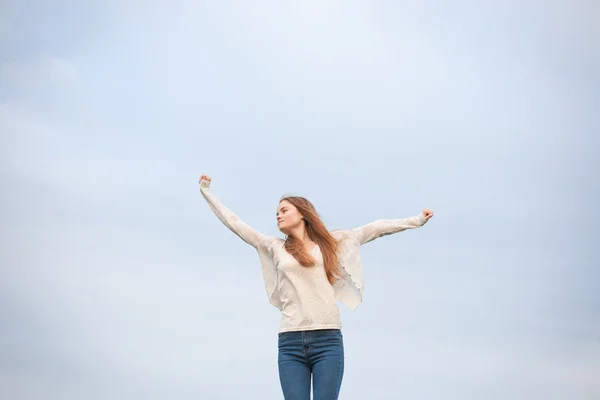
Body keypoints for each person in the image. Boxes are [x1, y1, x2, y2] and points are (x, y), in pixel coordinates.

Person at [198, 174, 433, 400]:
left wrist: (416, 220)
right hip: (290, 344)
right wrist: (207, 192)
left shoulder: (331, 242)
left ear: (302, 214)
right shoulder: (274, 247)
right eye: (276, 213)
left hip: (327, 341)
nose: (278, 216)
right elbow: (236, 224)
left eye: (284, 210)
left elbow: (375, 228)